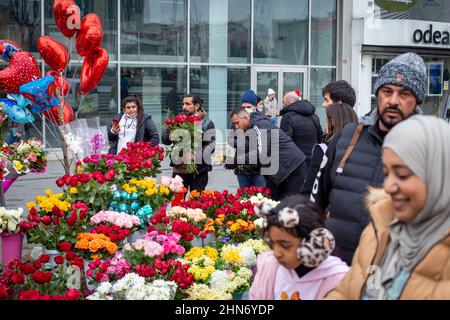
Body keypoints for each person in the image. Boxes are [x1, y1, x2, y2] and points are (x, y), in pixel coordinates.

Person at [311, 52, 427, 265]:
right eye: (387, 91)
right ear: (377, 93)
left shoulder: (429, 148)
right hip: (335, 268)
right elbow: (317, 200)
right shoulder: (348, 136)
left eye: (404, 94)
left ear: (417, 100)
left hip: (390, 277)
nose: (393, 100)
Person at [325, 116, 450, 300]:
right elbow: (346, 292)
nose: (389, 186)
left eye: (402, 174)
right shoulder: (380, 226)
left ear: (438, 173)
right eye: (386, 173)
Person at [249, 194, 349, 300]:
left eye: (284, 245)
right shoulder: (269, 266)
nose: (276, 253)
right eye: (272, 243)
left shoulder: (338, 279)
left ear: (314, 243)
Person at [229, 107, 306, 200]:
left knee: (293, 203)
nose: (236, 127)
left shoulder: (260, 125)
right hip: (276, 170)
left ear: (245, 118)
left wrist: (236, 160)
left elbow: (261, 153)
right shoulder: (251, 127)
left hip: (292, 167)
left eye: (237, 123)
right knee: (273, 201)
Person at [162, 95, 216, 193]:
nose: (184, 107)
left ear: (196, 106)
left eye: (188, 104)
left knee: (195, 203)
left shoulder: (207, 123)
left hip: (198, 171)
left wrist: (194, 156)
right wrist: (169, 136)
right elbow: (164, 139)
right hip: (179, 170)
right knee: (177, 203)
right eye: (183, 104)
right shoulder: (178, 120)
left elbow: (210, 146)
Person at [301, 103, 358, 196]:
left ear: (333, 122)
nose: (325, 123)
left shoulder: (323, 149)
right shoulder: (361, 149)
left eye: (326, 120)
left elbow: (309, 186)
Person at [280, 91, 323, 167]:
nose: (282, 105)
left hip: (297, 162)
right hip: (314, 159)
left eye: (283, 102)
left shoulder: (287, 117)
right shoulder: (314, 116)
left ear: (289, 102)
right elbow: (320, 137)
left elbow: (286, 143)